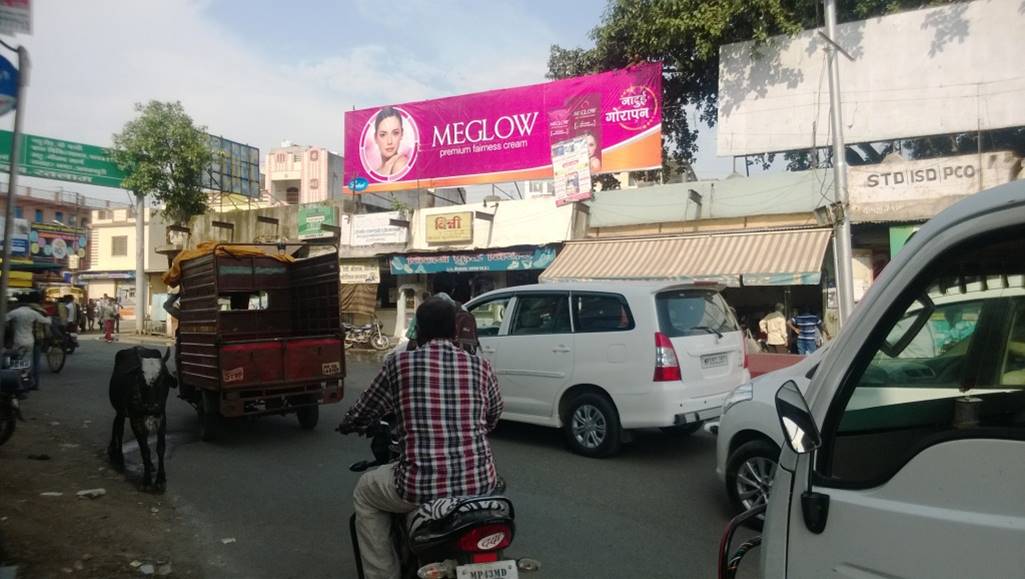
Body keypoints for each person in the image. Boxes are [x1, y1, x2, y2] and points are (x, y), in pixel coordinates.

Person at [338, 297, 503, 579]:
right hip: (480, 484)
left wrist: (350, 423)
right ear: (454, 331)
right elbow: (494, 414)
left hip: (420, 486)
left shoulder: (399, 364)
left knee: (365, 491)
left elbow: (366, 407)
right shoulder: (481, 367)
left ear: (419, 332)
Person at [7, 292, 51, 390]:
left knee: (17, 361)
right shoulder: (39, 311)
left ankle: (18, 382)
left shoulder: (15, 311)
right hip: (35, 339)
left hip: (18, 340)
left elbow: (5, 320)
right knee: (34, 362)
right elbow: (47, 323)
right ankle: (33, 383)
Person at [372, 107, 409, 176]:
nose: (389, 141)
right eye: (383, 135)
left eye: (395, 133)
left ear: (402, 134)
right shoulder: (377, 171)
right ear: (375, 137)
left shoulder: (400, 165)